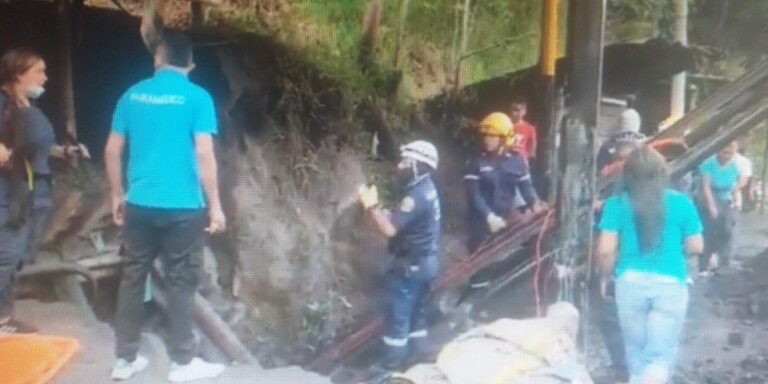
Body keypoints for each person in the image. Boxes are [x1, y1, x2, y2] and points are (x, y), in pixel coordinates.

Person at [105, 31, 226, 382]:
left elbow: (112, 150)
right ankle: (184, 364)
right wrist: (215, 207)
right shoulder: (198, 98)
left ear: (157, 59)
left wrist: (116, 195)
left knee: (132, 278)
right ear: (190, 64)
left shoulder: (131, 94)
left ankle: (125, 360)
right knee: (181, 282)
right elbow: (204, 153)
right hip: (183, 207)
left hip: (138, 203)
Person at [0, 48, 90, 334]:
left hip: (36, 189)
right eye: (39, 71)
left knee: (21, 255)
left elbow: (33, 146)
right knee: (6, 255)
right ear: (18, 74)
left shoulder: (27, 108)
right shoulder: (2, 104)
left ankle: (3, 318)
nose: (45, 77)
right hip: (10, 190)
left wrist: (64, 151)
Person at [597, 146, 703, 384]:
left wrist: (606, 277)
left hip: (630, 283)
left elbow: (606, 250)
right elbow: (696, 246)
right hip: (670, 285)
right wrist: (676, 252)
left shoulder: (615, 204)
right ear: (661, 173)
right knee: (658, 357)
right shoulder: (682, 203)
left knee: (635, 353)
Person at [357, 140, 441, 368]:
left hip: (410, 268)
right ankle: (419, 359)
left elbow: (389, 229)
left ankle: (390, 367)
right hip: (427, 264)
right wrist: (381, 211)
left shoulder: (415, 196)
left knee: (398, 318)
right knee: (417, 318)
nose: (400, 165)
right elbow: (402, 221)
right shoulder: (426, 188)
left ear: (418, 165)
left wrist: (372, 207)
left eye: (406, 161)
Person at [464, 112, 543, 253]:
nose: (487, 140)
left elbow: (527, 189)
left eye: (492, 136)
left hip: (507, 220)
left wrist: (535, 205)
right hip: (481, 223)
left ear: (504, 138)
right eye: (485, 135)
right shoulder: (475, 161)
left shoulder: (516, 161)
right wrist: (489, 216)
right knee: (480, 262)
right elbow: (474, 195)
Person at [697, 141, 741, 273]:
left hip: (725, 200)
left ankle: (724, 263)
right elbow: (706, 187)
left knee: (727, 231)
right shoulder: (708, 164)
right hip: (708, 199)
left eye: (730, 152)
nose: (727, 154)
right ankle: (703, 267)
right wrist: (711, 206)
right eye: (724, 151)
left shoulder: (734, 166)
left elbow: (734, 187)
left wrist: (736, 199)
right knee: (708, 232)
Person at [509, 98, 537, 162]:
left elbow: (532, 150)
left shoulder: (530, 129)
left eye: (518, 110)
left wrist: (526, 159)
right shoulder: (504, 125)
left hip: (521, 162)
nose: (515, 113)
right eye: (513, 110)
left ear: (524, 111)